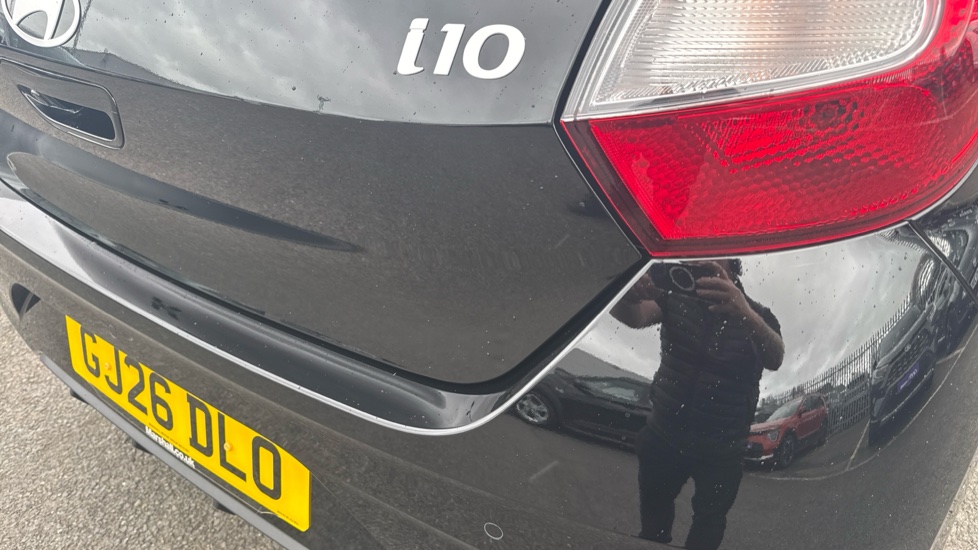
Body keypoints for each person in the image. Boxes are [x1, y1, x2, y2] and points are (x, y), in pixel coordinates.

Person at [611, 260, 784, 550]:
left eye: (713, 253)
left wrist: (744, 313)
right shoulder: (674, 294)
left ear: (733, 263)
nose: (700, 260)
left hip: (723, 447)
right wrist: (625, 294)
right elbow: (635, 317)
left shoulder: (758, 314)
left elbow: (775, 357)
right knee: (653, 517)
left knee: (709, 522)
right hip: (664, 432)